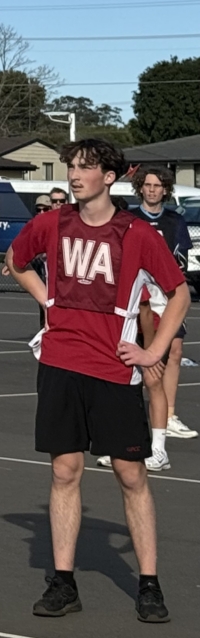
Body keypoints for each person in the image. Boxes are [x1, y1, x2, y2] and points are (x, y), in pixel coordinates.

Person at [6, 139, 189, 624]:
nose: (75, 174)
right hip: (61, 364)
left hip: (112, 369)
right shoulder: (51, 222)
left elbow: (179, 293)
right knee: (64, 471)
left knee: (131, 474)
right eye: (71, 166)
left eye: (86, 167)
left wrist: (152, 350)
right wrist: (47, 301)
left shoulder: (135, 233)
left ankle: (148, 584)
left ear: (110, 177)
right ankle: (63, 582)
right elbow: (15, 260)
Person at [126, 167, 194, 461]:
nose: (152, 190)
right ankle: (136, 424)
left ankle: (169, 416)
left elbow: (183, 258)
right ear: (140, 188)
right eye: (148, 185)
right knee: (137, 356)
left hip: (165, 295)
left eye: (158, 186)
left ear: (166, 190)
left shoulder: (174, 220)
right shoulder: (129, 219)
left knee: (174, 350)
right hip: (139, 295)